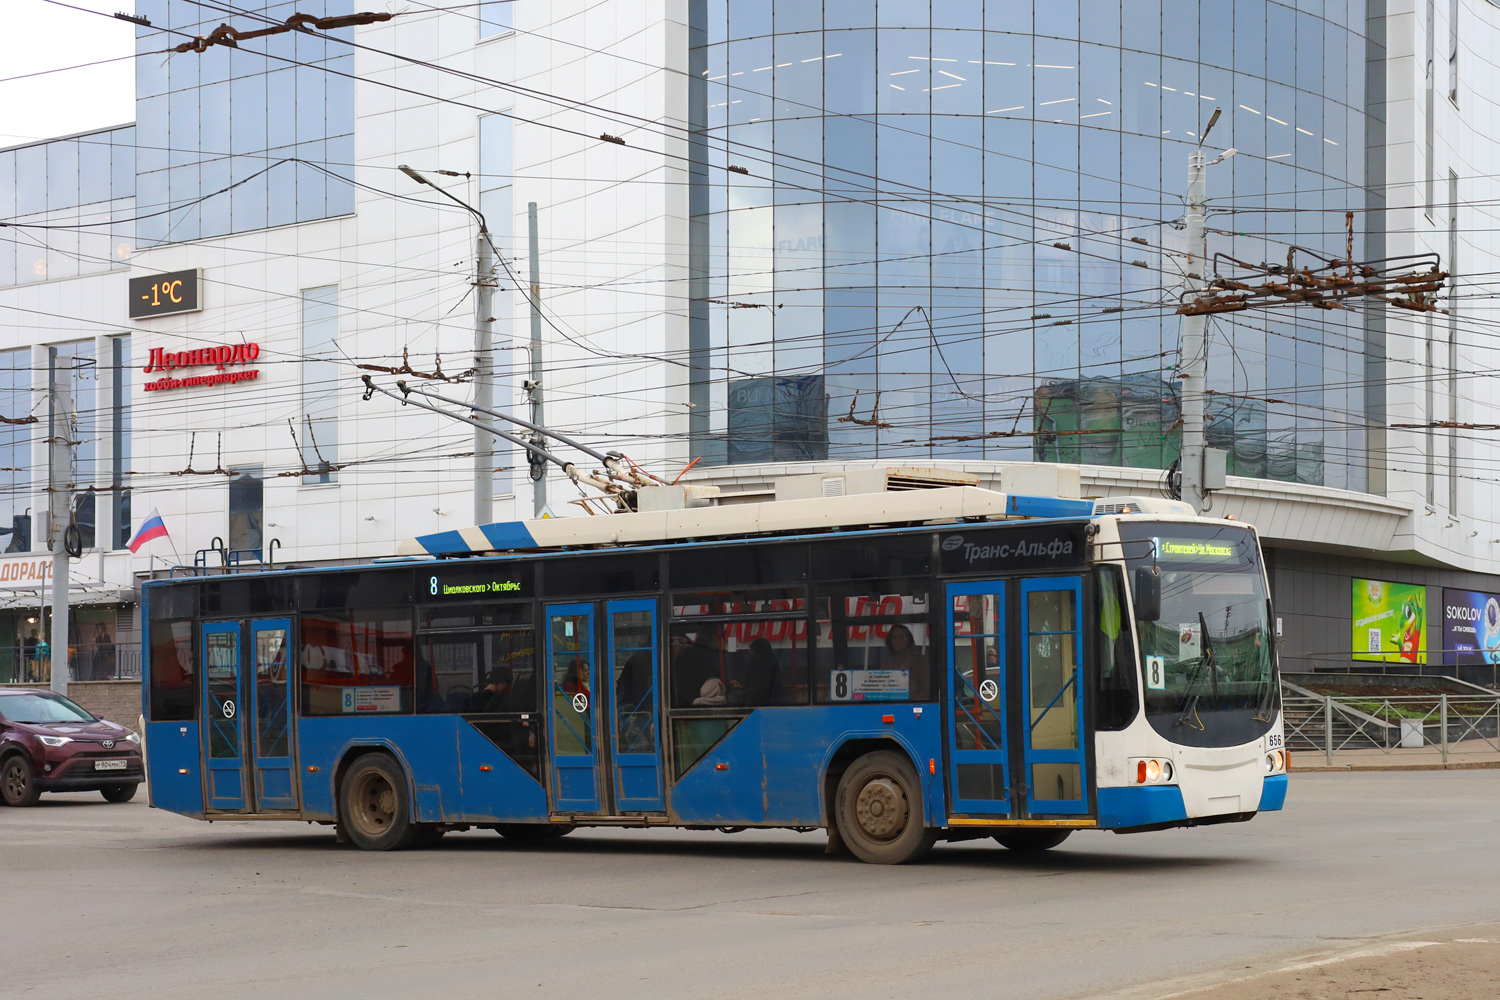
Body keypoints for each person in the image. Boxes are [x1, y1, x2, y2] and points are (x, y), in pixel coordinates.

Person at [883, 624, 930, 700]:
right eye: (894, 638)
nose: (898, 641)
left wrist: (908, 699)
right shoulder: (886, 664)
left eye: (902, 637)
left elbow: (927, 690)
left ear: (909, 639)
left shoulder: (921, 660)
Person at [730, 637, 778, 706]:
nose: (749, 653)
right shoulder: (755, 665)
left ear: (759, 652)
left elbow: (759, 689)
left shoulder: (769, 667)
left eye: (752, 650)